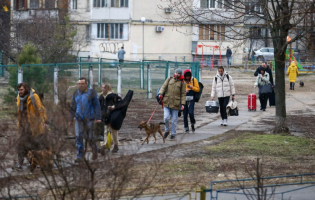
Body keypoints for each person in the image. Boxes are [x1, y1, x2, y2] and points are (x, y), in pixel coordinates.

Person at [13, 83, 47, 170]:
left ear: (26, 89)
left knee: (35, 145)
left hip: (34, 126)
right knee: (21, 144)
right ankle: (20, 164)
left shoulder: (34, 97)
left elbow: (40, 109)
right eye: (19, 90)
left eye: (22, 90)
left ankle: (37, 163)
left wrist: (43, 121)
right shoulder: (18, 98)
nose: (20, 92)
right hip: (23, 126)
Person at [69, 77, 102, 163]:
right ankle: (80, 156)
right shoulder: (76, 93)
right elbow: (73, 106)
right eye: (79, 84)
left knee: (89, 137)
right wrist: (70, 118)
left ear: (86, 84)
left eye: (82, 84)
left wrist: (98, 117)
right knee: (78, 137)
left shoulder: (91, 93)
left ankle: (94, 149)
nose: (80, 85)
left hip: (89, 119)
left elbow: (97, 105)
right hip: (78, 119)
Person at [158, 68, 186, 140]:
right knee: (166, 118)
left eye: (178, 73)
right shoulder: (169, 79)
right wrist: (160, 93)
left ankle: (173, 134)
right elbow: (163, 87)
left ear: (180, 74)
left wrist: (183, 104)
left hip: (176, 104)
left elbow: (183, 94)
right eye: (176, 73)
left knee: (174, 121)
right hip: (167, 102)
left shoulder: (182, 83)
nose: (177, 74)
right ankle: (167, 130)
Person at [98, 83, 121, 153]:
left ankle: (116, 145)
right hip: (103, 116)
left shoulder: (113, 96)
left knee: (114, 132)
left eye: (104, 88)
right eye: (102, 87)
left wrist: (113, 107)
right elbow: (98, 105)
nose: (103, 89)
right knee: (103, 131)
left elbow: (120, 103)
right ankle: (103, 146)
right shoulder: (101, 96)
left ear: (108, 88)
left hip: (112, 116)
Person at [183, 69, 200, 134]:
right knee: (185, 114)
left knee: (190, 112)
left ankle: (192, 123)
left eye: (188, 76)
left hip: (191, 98)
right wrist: (185, 90)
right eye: (186, 76)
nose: (187, 78)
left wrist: (191, 87)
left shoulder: (194, 80)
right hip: (184, 98)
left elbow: (198, 89)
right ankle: (186, 128)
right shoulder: (183, 81)